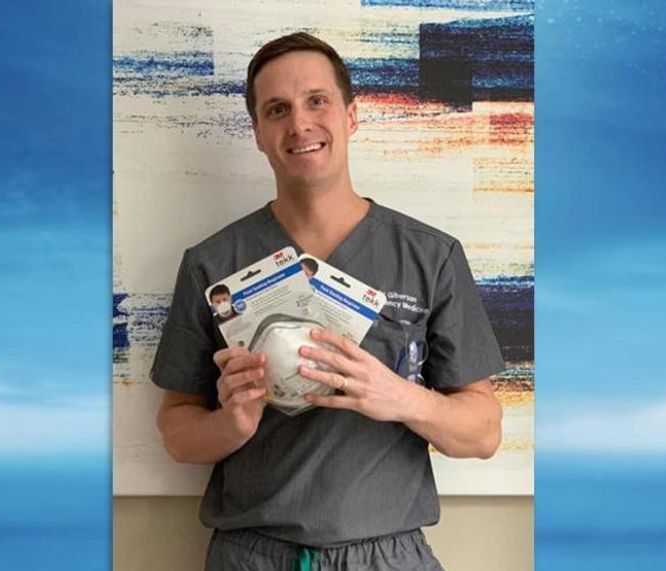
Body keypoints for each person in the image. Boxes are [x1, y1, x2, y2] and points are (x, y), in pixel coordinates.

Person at [150, 32, 505, 570]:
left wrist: (402, 398)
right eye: (277, 110)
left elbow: (483, 433)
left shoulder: (430, 256)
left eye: (317, 101)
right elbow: (177, 431)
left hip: (388, 554)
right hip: (252, 555)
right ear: (259, 134)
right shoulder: (212, 264)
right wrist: (233, 424)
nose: (300, 124)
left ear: (352, 116)